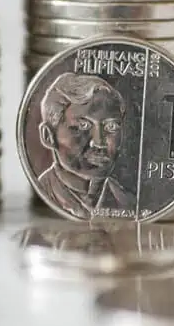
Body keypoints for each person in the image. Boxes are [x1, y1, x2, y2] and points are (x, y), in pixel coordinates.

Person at [35, 72, 135, 218]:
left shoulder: (128, 201)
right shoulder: (41, 194)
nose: (99, 143)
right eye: (83, 125)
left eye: (111, 127)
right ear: (48, 136)